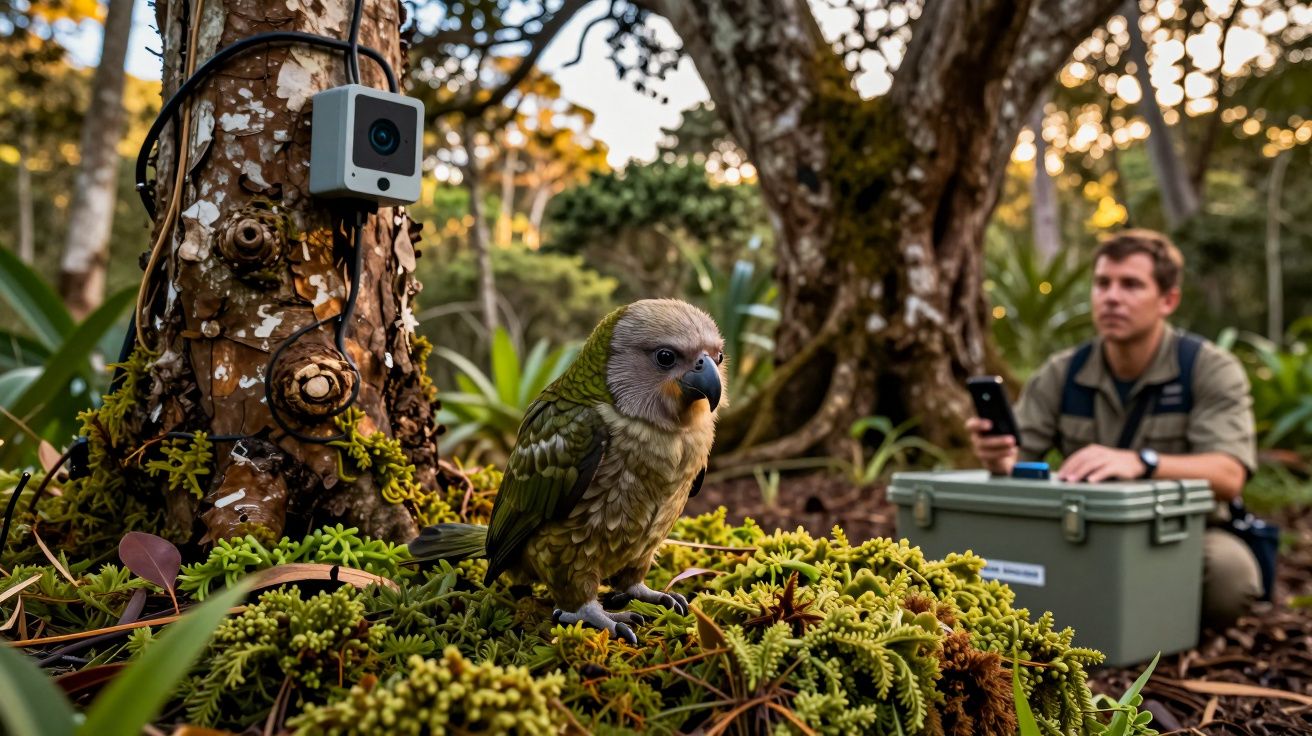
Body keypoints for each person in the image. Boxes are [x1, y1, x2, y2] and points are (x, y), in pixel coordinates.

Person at [968, 229, 1262, 628]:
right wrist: (1000, 457)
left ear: (1168, 300)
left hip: (1177, 534)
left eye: (1131, 285)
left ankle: (1160, 631)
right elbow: (1017, 460)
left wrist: (1142, 462)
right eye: (1102, 283)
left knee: (1231, 578)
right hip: (1082, 534)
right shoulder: (1063, 372)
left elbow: (1229, 476)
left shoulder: (1208, 368)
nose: (1111, 297)